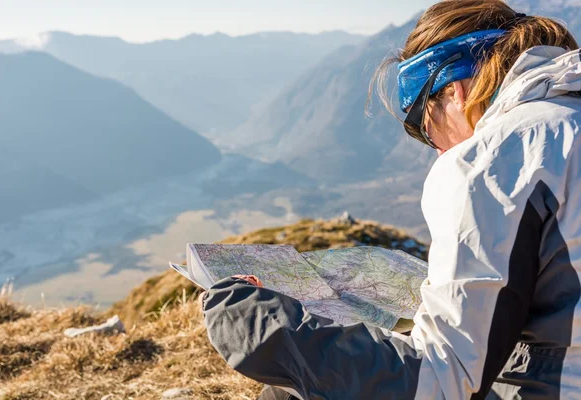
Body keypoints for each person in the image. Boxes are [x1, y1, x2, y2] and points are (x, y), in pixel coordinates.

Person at [201, 1, 581, 398]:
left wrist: (268, 330)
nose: (435, 149)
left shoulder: (496, 158)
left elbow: (439, 380)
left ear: (455, 89)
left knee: (291, 394)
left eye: (421, 124)